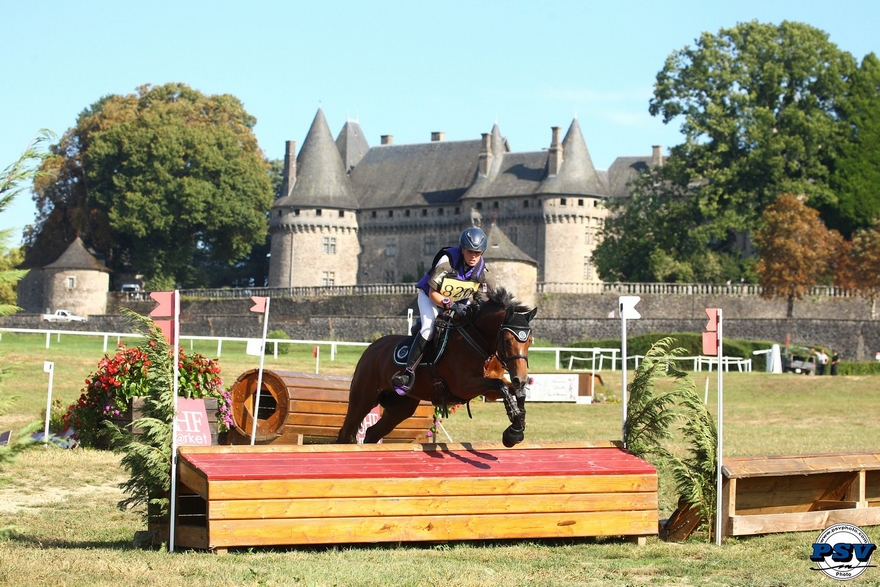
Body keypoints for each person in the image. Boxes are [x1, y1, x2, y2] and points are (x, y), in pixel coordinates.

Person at [391, 227, 496, 395]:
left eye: (478, 253)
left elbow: (485, 298)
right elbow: (434, 293)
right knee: (429, 328)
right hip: (431, 298)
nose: (474, 256)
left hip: (458, 301)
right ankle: (408, 374)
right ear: (462, 249)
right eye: (470, 252)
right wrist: (452, 305)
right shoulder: (447, 261)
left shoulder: (481, 270)